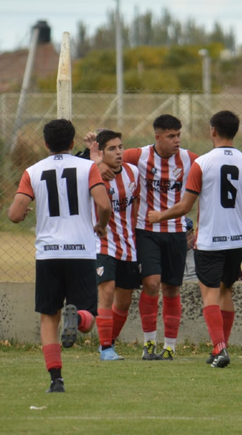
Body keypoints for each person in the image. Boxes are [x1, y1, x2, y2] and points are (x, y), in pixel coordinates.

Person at [149, 110, 242, 368]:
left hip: (210, 240)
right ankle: (221, 347)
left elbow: (184, 207)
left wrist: (159, 216)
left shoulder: (202, 163)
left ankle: (219, 348)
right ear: (235, 131)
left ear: (213, 130)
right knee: (226, 291)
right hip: (236, 242)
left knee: (209, 294)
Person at [7, 119, 111, 393]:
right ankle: (76, 320)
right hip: (81, 251)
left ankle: (56, 380)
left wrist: (25, 210)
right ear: (73, 142)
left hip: (49, 254)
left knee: (48, 318)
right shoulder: (88, 167)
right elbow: (103, 204)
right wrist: (101, 225)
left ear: (45, 144)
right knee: (88, 317)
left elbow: (15, 215)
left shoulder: (33, 171)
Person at [100, 114, 198, 361]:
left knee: (172, 289)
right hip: (145, 232)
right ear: (158, 137)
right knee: (152, 283)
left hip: (176, 232)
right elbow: (109, 155)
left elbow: (211, 176)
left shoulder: (190, 160)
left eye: (179, 135)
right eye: (171, 136)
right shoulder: (139, 156)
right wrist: (99, 164)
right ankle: (149, 345)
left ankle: (170, 347)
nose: (177, 140)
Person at [88, 129, 142, 361]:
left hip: (129, 244)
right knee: (106, 292)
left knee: (124, 301)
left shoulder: (134, 172)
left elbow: (137, 201)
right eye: (112, 148)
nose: (119, 152)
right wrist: (94, 165)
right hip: (102, 243)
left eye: (120, 147)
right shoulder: (91, 174)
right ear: (101, 152)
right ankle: (106, 347)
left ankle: (106, 344)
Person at [182, 216, 197, 282]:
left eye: (185, 234)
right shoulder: (167, 256)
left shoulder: (201, 253)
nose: (182, 238)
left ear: (192, 234)